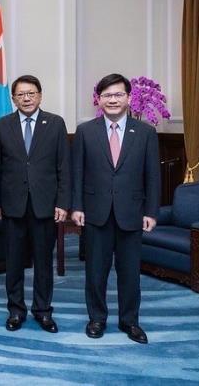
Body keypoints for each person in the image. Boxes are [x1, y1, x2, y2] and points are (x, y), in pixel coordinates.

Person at [71, 73, 160, 344]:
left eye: (118, 94)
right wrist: (77, 207)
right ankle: (97, 318)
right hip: (96, 212)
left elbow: (152, 176)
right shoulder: (86, 131)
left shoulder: (145, 132)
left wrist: (151, 212)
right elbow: (78, 173)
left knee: (130, 272)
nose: (112, 99)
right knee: (95, 271)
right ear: (99, 100)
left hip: (132, 213)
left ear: (128, 98)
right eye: (107, 95)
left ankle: (129, 321)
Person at [0, 75, 70, 334]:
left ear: (40, 95)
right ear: (13, 98)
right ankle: (16, 310)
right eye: (21, 94)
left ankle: (43, 311)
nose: (26, 98)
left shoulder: (56, 123)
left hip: (45, 205)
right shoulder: (3, 125)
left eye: (31, 93)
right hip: (13, 205)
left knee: (43, 262)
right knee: (13, 262)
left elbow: (64, 167)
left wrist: (63, 202)